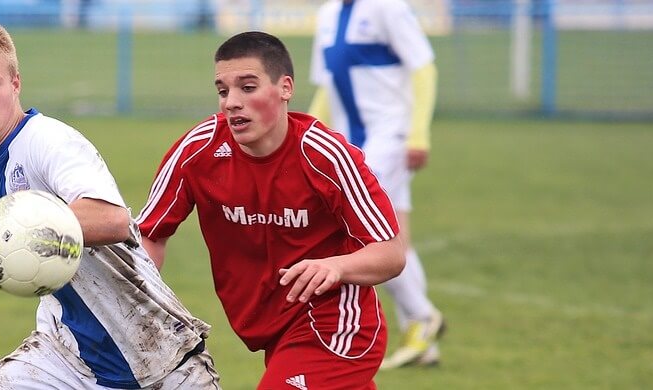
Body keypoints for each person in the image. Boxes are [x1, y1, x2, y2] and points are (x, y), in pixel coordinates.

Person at [0, 12, 220, 389]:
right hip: (68, 357)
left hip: (161, 361)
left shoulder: (48, 141)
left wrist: (2, 226)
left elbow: (111, 219)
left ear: (15, 84)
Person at [136, 31, 405, 389]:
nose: (231, 102)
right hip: (272, 331)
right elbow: (149, 234)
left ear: (285, 88)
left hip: (336, 326)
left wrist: (334, 266)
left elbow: (391, 252)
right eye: (222, 90)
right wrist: (137, 307)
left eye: (247, 88)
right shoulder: (197, 151)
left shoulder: (325, 156)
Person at [308, 0, 445, 369]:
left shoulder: (387, 7)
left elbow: (423, 69)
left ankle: (422, 314)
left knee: (364, 233)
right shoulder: (327, 14)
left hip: (390, 138)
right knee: (393, 235)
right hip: (353, 143)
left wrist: (417, 134)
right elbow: (327, 86)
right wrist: (308, 134)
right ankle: (422, 339)